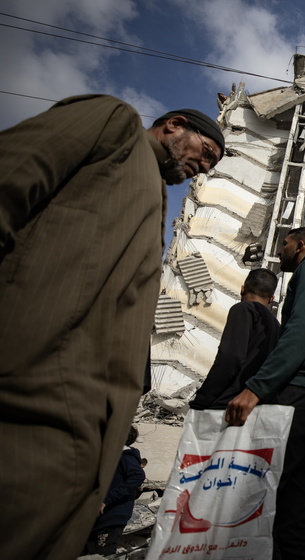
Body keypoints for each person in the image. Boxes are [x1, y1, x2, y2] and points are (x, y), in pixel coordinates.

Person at [0, 96, 223, 560]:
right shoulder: (115, 124)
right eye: (204, 154)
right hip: (28, 368)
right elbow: (12, 174)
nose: (201, 170)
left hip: (82, 410)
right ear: (173, 126)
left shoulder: (154, 200)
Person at [225, 226, 305, 560]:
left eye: (285, 244)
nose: (281, 250)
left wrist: (256, 389)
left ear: (301, 246)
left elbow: (301, 331)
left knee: (265, 496)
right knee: (294, 507)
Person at [190, 268, 281, 410]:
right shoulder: (276, 325)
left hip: (227, 405)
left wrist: (203, 399)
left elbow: (230, 358)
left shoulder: (244, 309)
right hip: (254, 405)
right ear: (271, 298)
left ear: (242, 289)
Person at [82, 425, 146, 556]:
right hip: (97, 518)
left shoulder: (125, 457)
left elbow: (137, 476)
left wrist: (107, 500)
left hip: (111, 516)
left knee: (103, 554)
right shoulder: (112, 458)